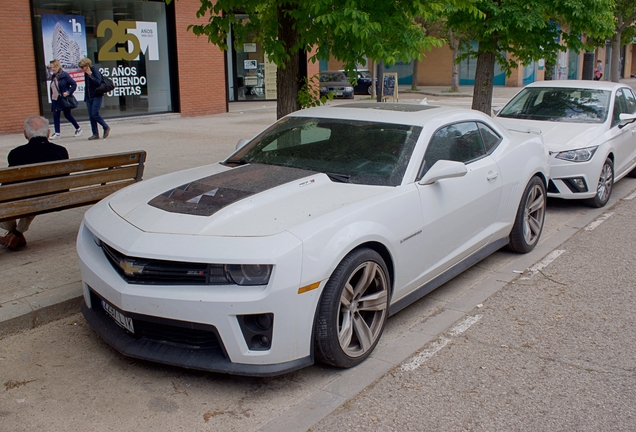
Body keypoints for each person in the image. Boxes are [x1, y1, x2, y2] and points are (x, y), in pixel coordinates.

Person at [1, 116, 69, 251]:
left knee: (13, 196)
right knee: (32, 193)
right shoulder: (61, 151)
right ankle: (16, 235)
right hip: (58, 197)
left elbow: (8, 186)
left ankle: (13, 234)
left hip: (29, 198)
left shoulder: (16, 154)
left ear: (25, 134)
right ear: (48, 133)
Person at [78, 57, 111, 140]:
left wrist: (90, 75)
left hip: (96, 95)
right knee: (91, 116)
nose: (82, 69)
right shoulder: (86, 73)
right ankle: (95, 133)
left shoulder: (94, 70)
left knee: (94, 113)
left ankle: (105, 126)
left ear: (87, 65)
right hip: (89, 97)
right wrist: (85, 98)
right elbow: (87, 86)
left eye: (82, 67)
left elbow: (98, 82)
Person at [49, 59, 82, 139]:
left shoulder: (64, 75)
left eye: (53, 67)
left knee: (67, 115)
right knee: (55, 115)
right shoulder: (54, 76)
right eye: (51, 67)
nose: (52, 69)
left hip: (62, 99)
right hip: (55, 99)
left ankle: (78, 128)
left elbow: (73, 84)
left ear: (57, 66)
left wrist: (68, 92)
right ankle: (57, 133)